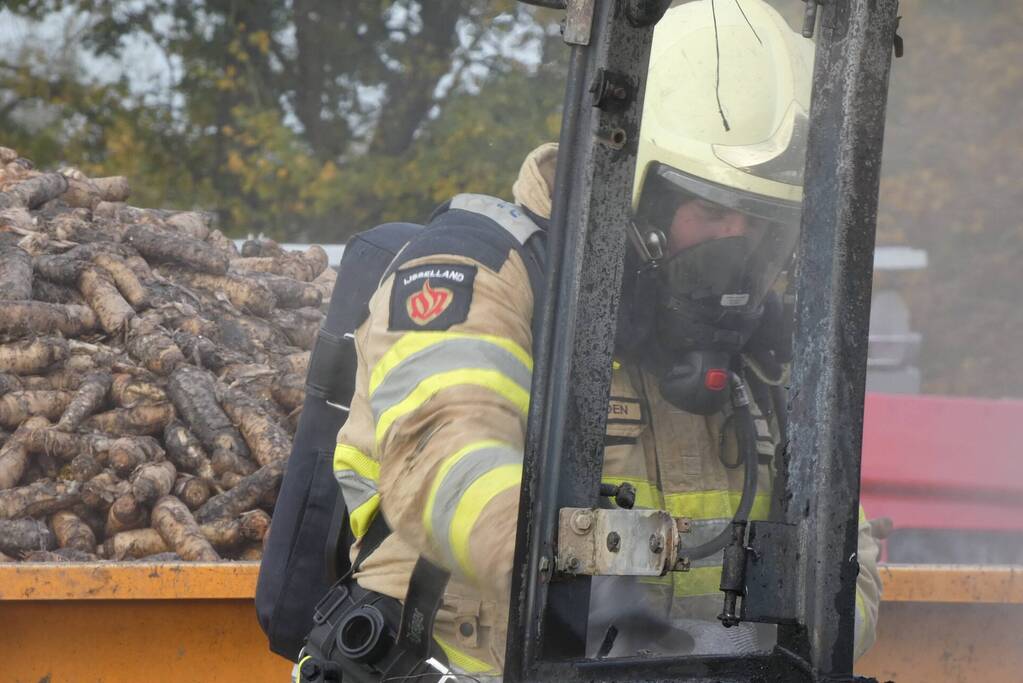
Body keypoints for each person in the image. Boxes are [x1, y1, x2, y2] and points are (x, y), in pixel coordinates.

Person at [330, 0, 882, 677]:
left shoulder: (765, 352)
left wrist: (782, 649)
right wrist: (573, 589)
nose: (735, 249)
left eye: (760, 223)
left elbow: (845, 563)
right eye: (709, 211)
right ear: (634, 187)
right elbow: (445, 457)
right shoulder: (490, 275)